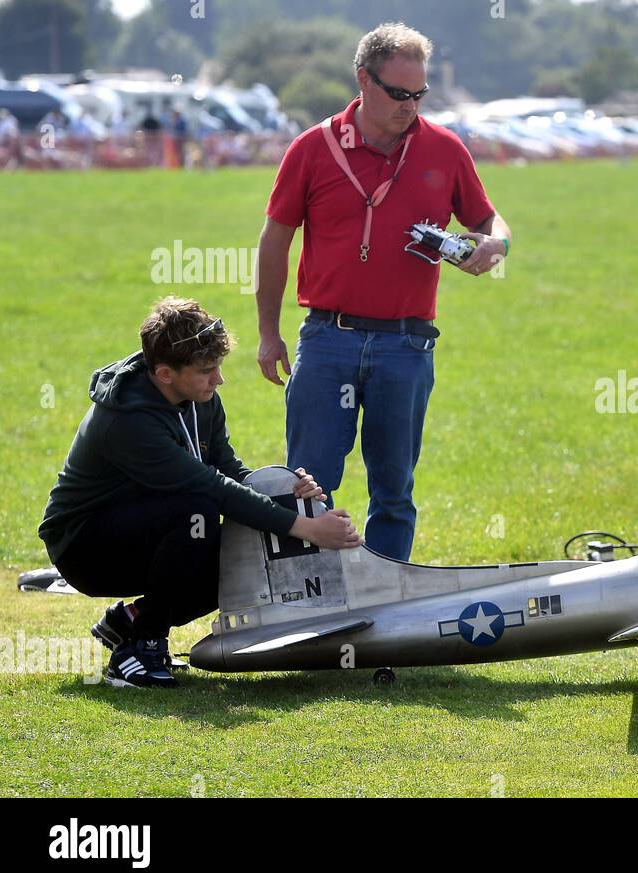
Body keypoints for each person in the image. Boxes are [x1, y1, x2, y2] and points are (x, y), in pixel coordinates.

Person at [256, 21, 510, 561]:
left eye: (419, 94)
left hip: (407, 345)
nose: (409, 106)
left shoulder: (444, 149)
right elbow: (275, 240)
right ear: (363, 80)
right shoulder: (312, 148)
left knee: (394, 491)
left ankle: (385, 600)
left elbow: (490, 221)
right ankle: (310, 596)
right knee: (307, 484)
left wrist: (495, 247)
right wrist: (268, 333)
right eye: (398, 94)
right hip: (327, 338)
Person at [38, 299, 361, 688]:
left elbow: (230, 470)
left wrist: (289, 493)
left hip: (150, 527)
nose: (219, 380)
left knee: (242, 553)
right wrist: (305, 529)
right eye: (207, 371)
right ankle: (138, 647)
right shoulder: (128, 422)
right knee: (198, 511)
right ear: (164, 373)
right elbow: (210, 488)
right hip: (85, 547)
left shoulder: (200, 398)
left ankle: (135, 619)